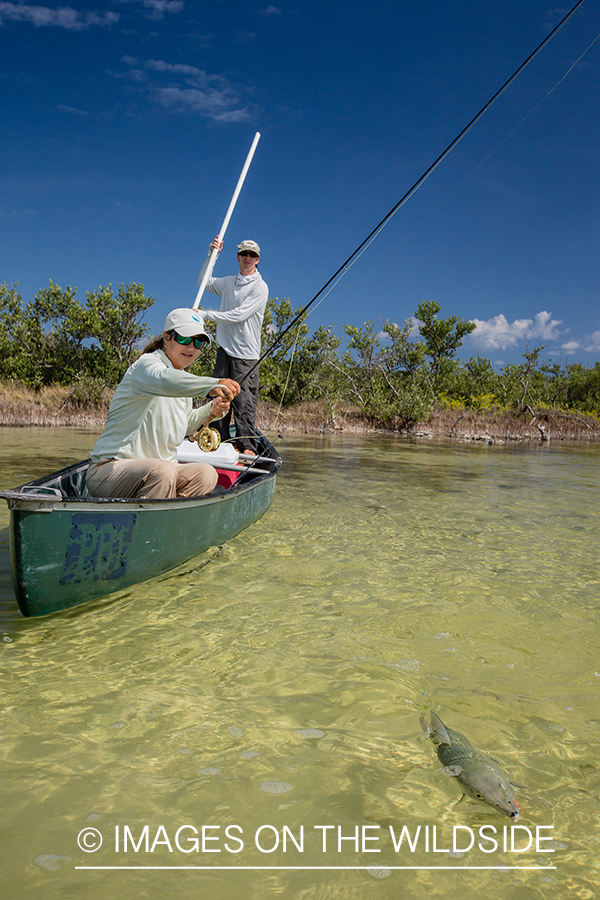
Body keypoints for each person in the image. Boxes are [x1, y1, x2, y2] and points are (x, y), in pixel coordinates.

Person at [86, 308, 240, 500]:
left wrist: (212, 410)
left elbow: (185, 424)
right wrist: (212, 384)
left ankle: (167, 517)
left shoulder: (181, 381)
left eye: (198, 342)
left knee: (206, 474)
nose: (191, 347)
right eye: (184, 339)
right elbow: (164, 380)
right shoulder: (146, 365)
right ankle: (152, 521)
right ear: (167, 337)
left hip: (160, 470)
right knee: (163, 470)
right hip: (111, 469)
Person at [198, 237, 269, 454]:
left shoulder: (260, 287)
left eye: (252, 255)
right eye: (244, 254)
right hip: (224, 350)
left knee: (243, 401)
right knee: (219, 395)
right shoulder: (228, 282)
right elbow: (204, 281)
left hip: (246, 355)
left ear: (257, 260)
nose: (248, 258)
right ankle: (217, 439)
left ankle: (247, 446)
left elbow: (239, 315)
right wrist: (212, 254)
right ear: (238, 257)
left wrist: (204, 315)